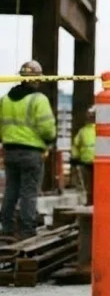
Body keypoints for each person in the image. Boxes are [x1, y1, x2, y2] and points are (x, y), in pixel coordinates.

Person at [0, 60, 57, 239]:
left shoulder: (5, 99)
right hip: (31, 153)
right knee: (28, 192)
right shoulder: (38, 100)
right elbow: (47, 128)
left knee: (11, 190)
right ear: (37, 78)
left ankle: (7, 227)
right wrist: (49, 141)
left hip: (9, 151)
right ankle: (27, 230)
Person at [70, 106, 96, 205]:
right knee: (96, 184)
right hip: (98, 162)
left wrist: (74, 158)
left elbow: (76, 145)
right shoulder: (101, 130)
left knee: (88, 185)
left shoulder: (83, 131)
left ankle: (90, 202)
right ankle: (95, 202)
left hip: (86, 161)